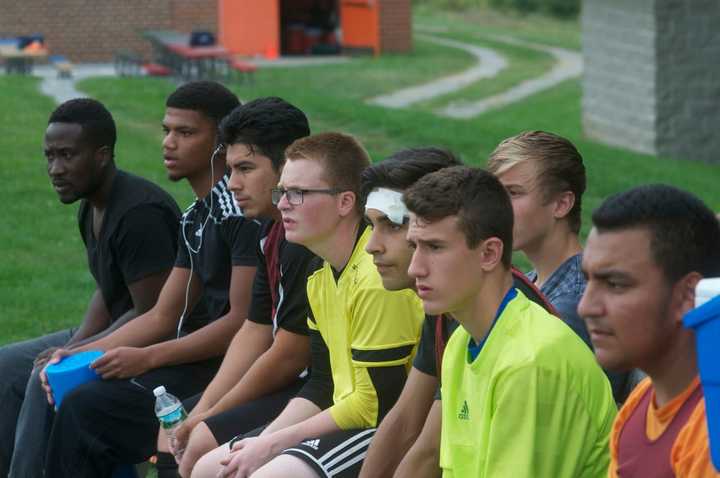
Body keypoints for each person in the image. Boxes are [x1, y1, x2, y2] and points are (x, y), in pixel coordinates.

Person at [40, 81, 260, 477]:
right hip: (200, 359)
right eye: (166, 130)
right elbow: (163, 314)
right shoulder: (196, 215)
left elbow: (239, 322)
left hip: (234, 367)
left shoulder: (238, 214)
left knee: (89, 407)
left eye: (186, 132)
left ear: (221, 145)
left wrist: (147, 357)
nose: (168, 143)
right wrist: (83, 351)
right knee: (74, 393)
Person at [191, 132, 425, 478]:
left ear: (345, 202)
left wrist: (273, 445)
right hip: (347, 414)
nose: (282, 204)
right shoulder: (319, 274)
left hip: (383, 426)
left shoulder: (377, 278)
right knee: (211, 467)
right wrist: (266, 440)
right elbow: (322, 382)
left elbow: (376, 404)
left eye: (297, 194)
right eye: (282, 192)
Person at [0, 98, 180, 478]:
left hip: (142, 341)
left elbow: (151, 312)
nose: (55, 169)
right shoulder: (91, 205)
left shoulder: (139, 214)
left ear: (102, 155)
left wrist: (78, 351)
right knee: (5, 366)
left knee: (41, 378)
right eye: (49, 156)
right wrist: (74, 342)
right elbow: (107, 288)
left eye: (67, 155)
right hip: (110, 329)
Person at [404, 166, 616, 477]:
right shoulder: (461, 342)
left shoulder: (530, 361)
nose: (415, 268)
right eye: (414, 246)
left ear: (489, 253)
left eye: (435, 247)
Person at [358, 148, 558, 478]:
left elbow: (427, 449)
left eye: (392, 225)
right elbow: (405, 421)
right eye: (370, 225)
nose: (371, 245)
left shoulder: (508, 332)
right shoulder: (447, 307)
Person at [152, 97, 317, 478]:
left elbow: (289, 355)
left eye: (245, 168)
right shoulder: (268, 230)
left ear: (289, 166)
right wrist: (206, 408)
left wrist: (210, 416)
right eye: (230, 169)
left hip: (316, 391)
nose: (233, 184)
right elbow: (254, 329)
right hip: (290, 384)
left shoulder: (305, 241)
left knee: (204, 444)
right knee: (175, 431)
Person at [578, 184, 720, 477]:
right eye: (588, 280)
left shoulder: (710, 432)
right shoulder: (640, 402)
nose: (586, 307)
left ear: (687, 296)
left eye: (615, 284)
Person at [487, 130, 632, 403]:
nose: (498, 209)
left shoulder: (575, 304)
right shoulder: (533, 284)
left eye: (513, 193)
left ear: (561, 204)